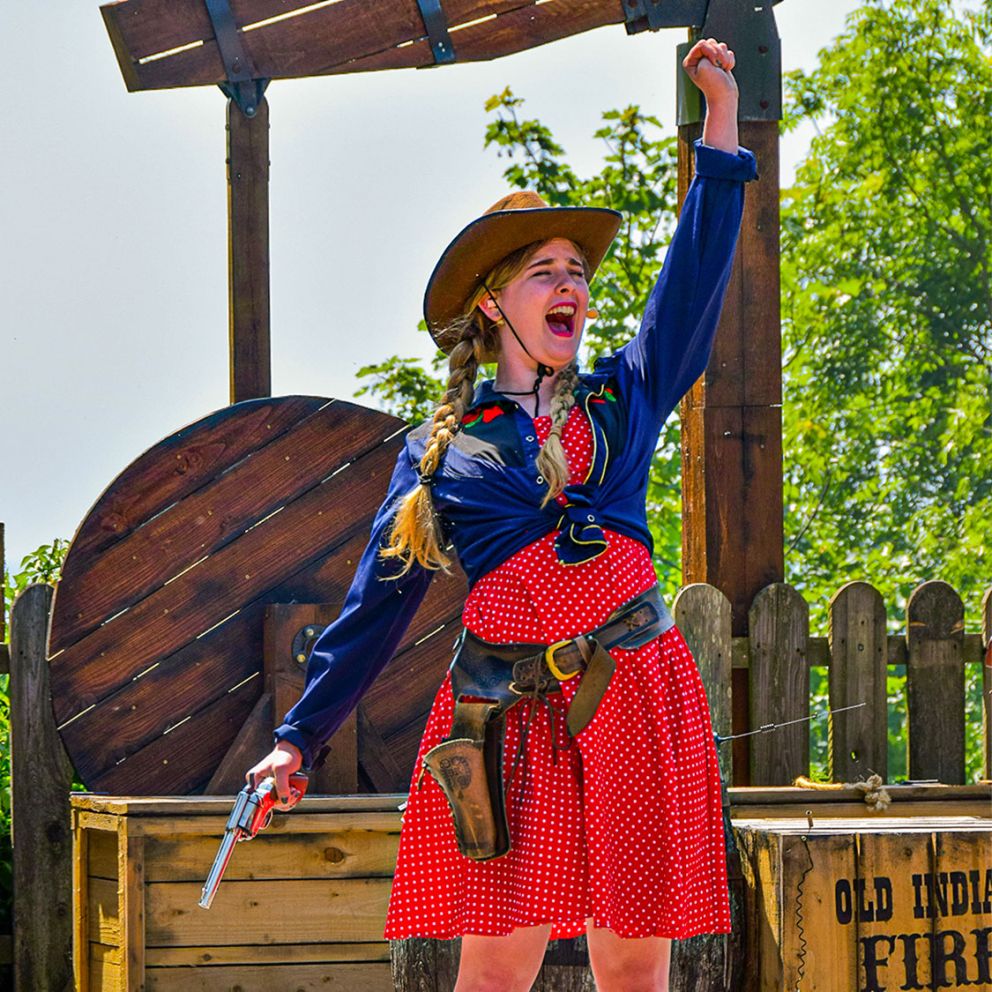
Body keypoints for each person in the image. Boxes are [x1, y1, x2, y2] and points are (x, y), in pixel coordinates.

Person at [247, 37, 755, 992]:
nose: (572, 285)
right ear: (494, 304)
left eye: (578, 270)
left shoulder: (623, 401)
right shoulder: (440, 453)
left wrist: (720, 124)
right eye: (544, 272)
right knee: (491, 971)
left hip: (634, 698)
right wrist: (294, 741)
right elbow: (374, 610)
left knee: (636, 967)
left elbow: (690, 286)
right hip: (507, 716)